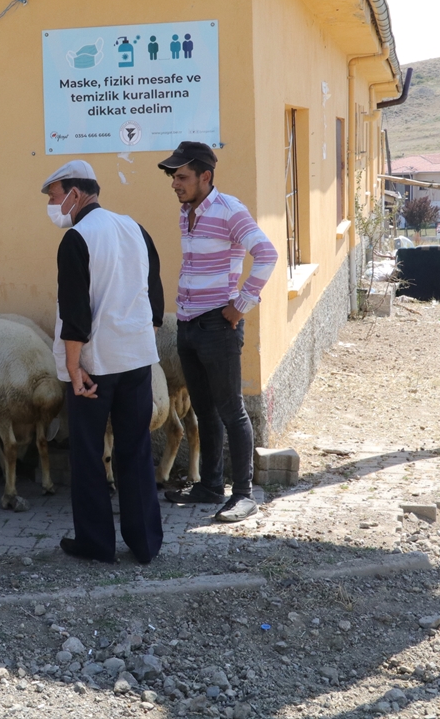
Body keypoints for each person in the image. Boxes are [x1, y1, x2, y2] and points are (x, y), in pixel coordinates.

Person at [43, 160, 165, 564]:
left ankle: (96, 543)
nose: (52, 204)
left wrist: (74, 369)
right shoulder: (135, 228)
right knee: (136, 448)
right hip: (136, 359)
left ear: (76, 194)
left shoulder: (77, 239)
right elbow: (155, 296)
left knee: (88, 454)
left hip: (94, 367)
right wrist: (143, 339)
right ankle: (145, 542)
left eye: (54, 195)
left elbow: (75, 312)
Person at [157, 142, 278, 523]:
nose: (175, 183)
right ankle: (210, 486)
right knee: (204, 410)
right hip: (189, 325)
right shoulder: (186, 213)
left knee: (231, 411)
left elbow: (267, 254)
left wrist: (241, 304)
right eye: (174, 177)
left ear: (205, 177)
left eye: (182, 177)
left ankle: (243, 494)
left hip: (218, 326)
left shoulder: (229, 210)